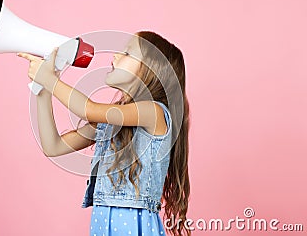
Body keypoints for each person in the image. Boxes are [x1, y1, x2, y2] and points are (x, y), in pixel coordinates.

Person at [18, 31, 191, 236]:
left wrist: (50, 80)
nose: (116, 55)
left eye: (127, 53)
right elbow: (53, 146)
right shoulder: (110, 125)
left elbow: (87, 109)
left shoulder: (153, 112)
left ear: (151, 70)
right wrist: (43, 90)